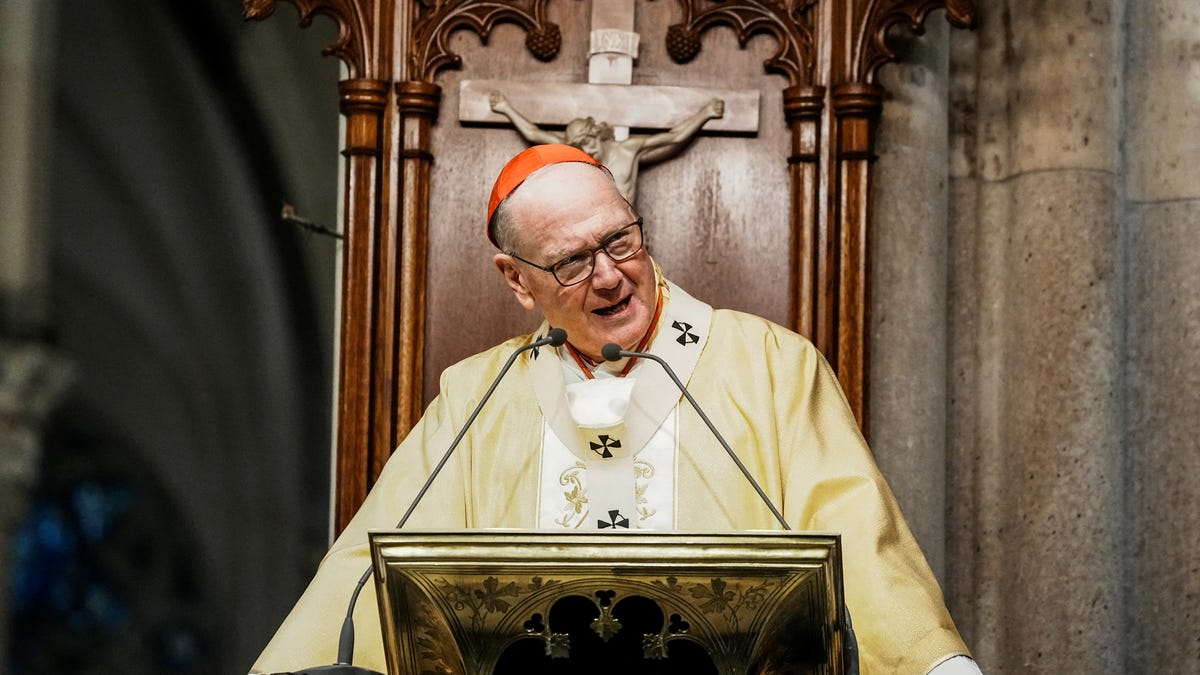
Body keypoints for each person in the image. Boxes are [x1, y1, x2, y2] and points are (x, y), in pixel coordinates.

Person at [251, 145, 982, 674]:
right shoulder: (476, 400)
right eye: (572, 262)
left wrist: (936, 664)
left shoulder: (769, 365)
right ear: (517, 280)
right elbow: (367, 570)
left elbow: (859, 537)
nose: (609, 276)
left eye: (619, 240)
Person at [489, 91, 724, 203]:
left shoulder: (628, 149)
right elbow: (534, 133)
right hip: (591, 226)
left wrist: (706, 113)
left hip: (626, 228)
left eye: (588, 142)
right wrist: (505, 108)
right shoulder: (577, 151)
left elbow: (674, 137)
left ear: (597, 134)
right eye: (579, 146)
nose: (587, 151)